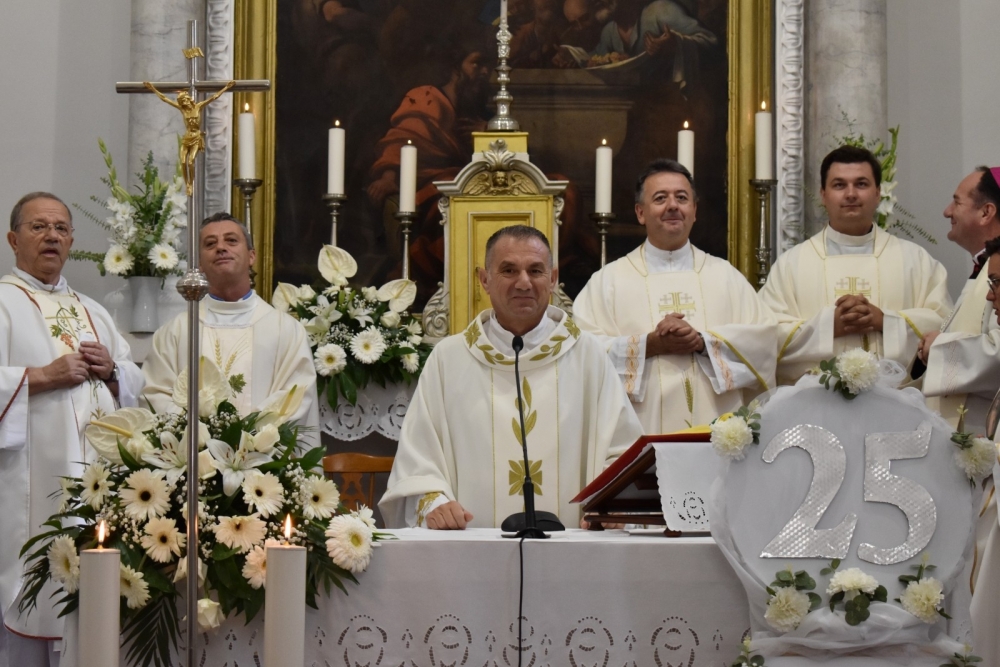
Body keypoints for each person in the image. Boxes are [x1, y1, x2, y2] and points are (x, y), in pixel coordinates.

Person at [380, 225, 643, 529]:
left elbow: (622, 451)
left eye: (536, 270)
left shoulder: (589, 355)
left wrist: (608, 503)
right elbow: (419, 453)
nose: (524, 282)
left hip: (573, 553)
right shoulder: (448, 359)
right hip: (471, 553)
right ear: (484, 280)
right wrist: (435, 502)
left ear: (553, 278)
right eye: (508, 270)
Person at [0, 192, 143, 665]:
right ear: (12, 239)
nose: (52, 236)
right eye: (39, 227)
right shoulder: (2, 301)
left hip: (96, 482)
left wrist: (115, 371)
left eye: (61, 228)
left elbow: (136, 384)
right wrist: (42, 377)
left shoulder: (93, 309)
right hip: (27, 482)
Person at [573, 159, 777, 434]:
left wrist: (703, 343)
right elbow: (583, 353)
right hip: (638, 443)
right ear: (640, 212)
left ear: (694, 211)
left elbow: (764, 344)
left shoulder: (727, 278)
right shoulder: (607, 282)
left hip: (720, 441)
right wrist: (649, 345)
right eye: (660, 198)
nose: (673, 206)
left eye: (682, 198)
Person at [759, 145, 952, 385]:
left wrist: (885, 321)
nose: (851, 194)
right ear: (823, 194)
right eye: (839, 185)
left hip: (895, 404)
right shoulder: (791, 265)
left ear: (878, 193)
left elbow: (946, 327)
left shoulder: (916, 260)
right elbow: (766, 336)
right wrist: (829, 326)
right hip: (815, 406)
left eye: (861, 184)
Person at [142, 213, 319, 444]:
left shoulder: (286, 330)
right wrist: (203, 438)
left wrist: (250, 439)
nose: (221, 248)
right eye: (210, 243)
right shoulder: (175, 332)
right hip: (195, 465)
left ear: (251, 256)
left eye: (231, 240)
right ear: (199, 265)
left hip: (265, 468)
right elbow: (156, 394)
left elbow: (296, 395)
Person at [914, 167, 1000, 430]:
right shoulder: (983, 268)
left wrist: (938, 348)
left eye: (957, 202)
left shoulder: (995, 269)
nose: (947, 211)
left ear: (986, 213)